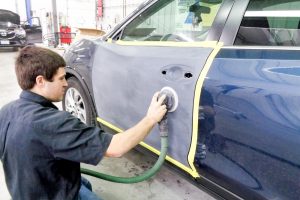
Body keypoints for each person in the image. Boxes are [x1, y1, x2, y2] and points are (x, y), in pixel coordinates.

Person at [0, 46, 167, 200]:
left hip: (26, 192)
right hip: (53, 194)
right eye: (61, 78)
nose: (66, 83)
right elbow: (116, 148)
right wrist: (151, 118)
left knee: (84, 184)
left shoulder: (6, 111)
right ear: (40, 81)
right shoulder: (52, 124)